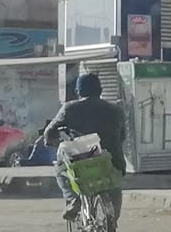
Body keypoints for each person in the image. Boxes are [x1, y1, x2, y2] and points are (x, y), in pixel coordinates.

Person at [39, 72, 126, 219]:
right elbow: (122, 136)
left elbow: (49, 133)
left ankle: (73, 199)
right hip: (113, 162)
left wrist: (51, 142)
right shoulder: (116, 110)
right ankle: (113, 221)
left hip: (81, 162)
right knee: (115, 186)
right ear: (100, 90)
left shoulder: (70, 108)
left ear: (78, 92)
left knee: (60, 163)